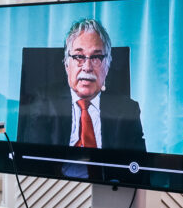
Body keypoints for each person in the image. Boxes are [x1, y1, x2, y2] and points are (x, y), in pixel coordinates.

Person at [17, 18, 146, 152]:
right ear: (67, 64)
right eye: (79, 56)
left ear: (107, 66)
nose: (87, 67)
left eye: (96, 57)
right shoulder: (44, 103)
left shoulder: (128, 109)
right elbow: (35, 161)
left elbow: (138, 167)